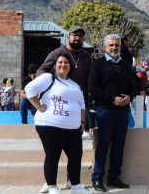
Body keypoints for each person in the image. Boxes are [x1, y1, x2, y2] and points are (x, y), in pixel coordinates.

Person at [25, 53, 89, 194]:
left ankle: (76, 186)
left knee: (76, 156)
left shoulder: (74, 85)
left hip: (73, 128)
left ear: (70, 66)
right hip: (50, 126)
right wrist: (39, 106)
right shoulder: (48, 78)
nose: (63, 65)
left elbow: (82, 104)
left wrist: (82, 122)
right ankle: (52, 187)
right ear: (55, 65)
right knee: (53, 156)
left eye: (66, 62)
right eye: (60, 62)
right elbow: (29, 89)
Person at [88, 34, 136, 192]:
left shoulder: (125, 65)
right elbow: (92, 88)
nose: (114, 48)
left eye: (116, 45)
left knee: (119, 144)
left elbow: (134, 84)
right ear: (105, 48)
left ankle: (114, 178)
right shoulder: (97, 64)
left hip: (122, 112)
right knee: (103, 144)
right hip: (105, 111)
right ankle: (97, 179)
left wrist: (130, 96)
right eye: (111, 45)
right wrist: (111, 99)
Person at [38, 27, 93, 140]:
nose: (77, 38)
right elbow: (42, 70)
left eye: (81, 36)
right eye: (75, 35)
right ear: (68, 36)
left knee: (77, 138)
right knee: (60, 138)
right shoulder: (58, 53)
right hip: (62, 103)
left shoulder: (86, 56)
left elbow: (91, 78)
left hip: (81, 103)